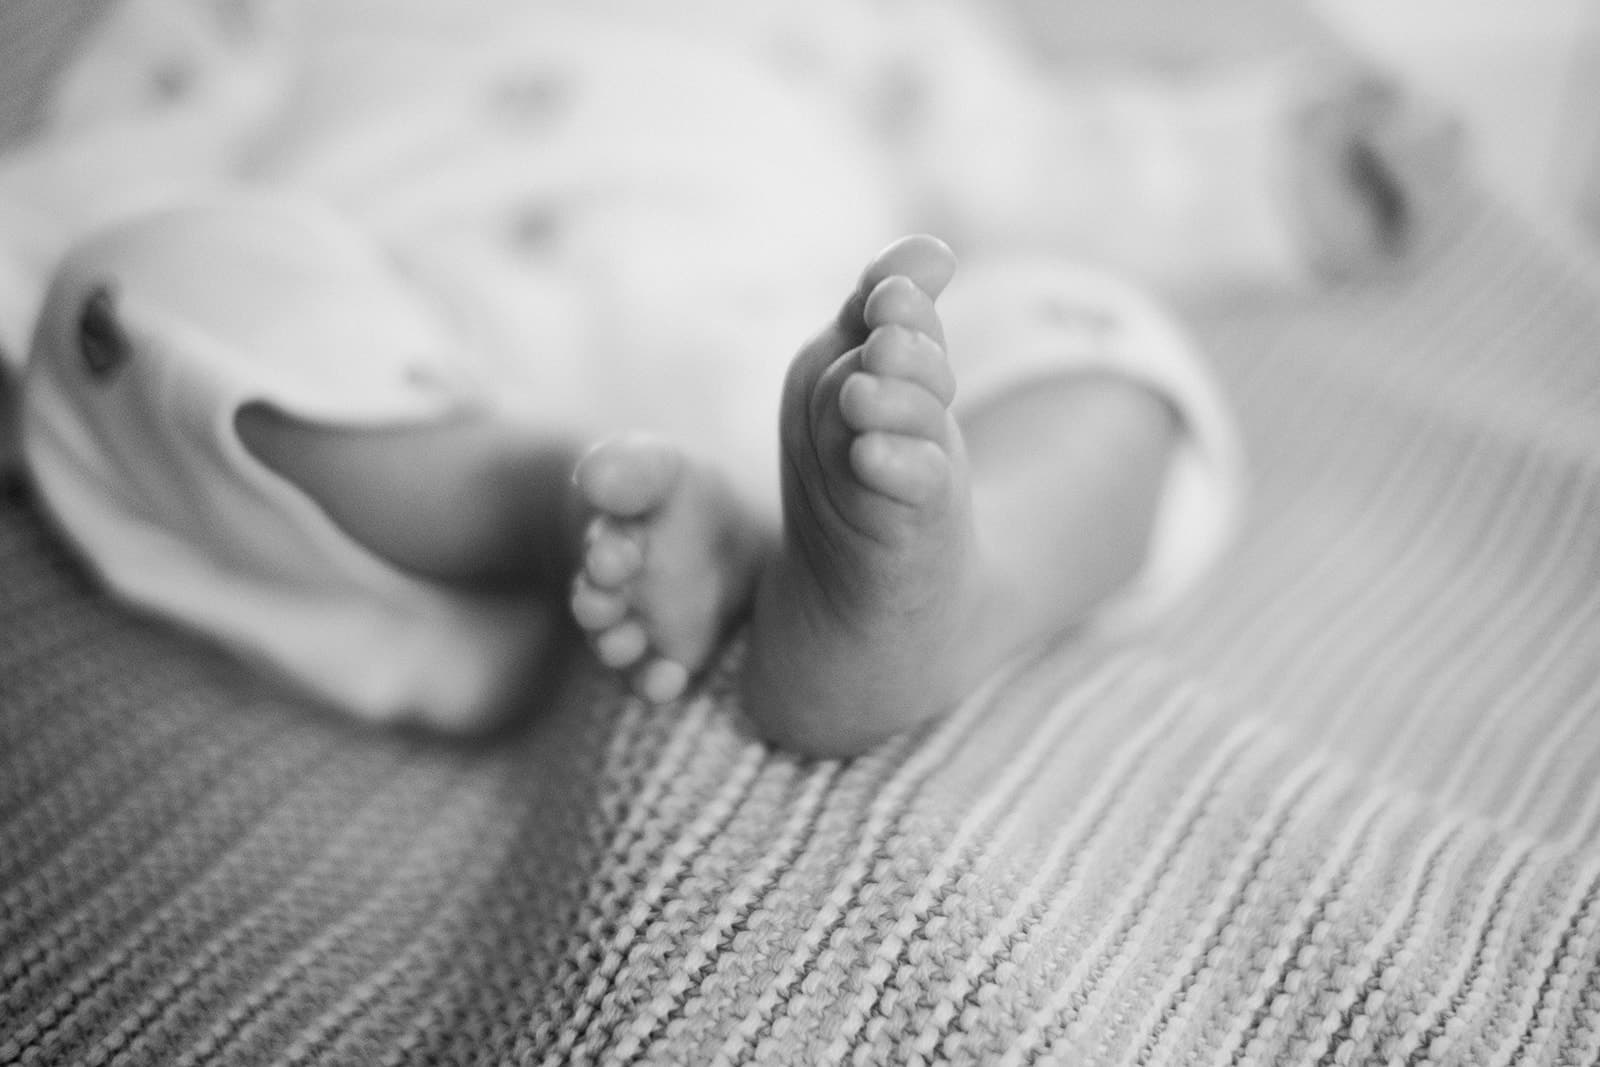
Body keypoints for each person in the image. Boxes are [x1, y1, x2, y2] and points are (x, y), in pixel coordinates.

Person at [7, 0, 1433, 755]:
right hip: (428, 407)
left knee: (1096, 340)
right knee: (131, 296)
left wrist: (1280, 175)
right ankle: (551, 508)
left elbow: (1060, 157)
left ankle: (940, 600)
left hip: (798, 384)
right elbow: (110, 173)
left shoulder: (876, 21)